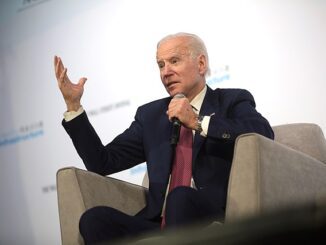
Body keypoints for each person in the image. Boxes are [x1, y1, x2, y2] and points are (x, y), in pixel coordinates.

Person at [54, 32, 274, 244]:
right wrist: (73, 106)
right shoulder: (151, 116)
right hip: (159, 221)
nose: (165, 72)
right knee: (95, 220)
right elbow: (102, 162)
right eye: (161, 65)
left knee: (180, 197)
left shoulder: (231, 100)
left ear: (201, 64)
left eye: (174, 61)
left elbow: (263, 133)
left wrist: (198, 122)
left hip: (209, 215)